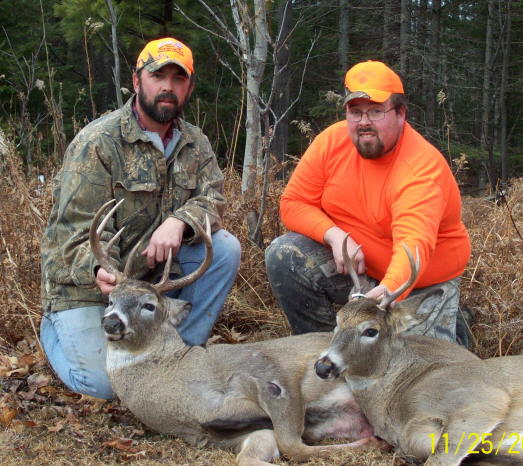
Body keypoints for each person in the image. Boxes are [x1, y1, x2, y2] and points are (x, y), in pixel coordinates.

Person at [40, 37, 241, 399]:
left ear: (189, 87)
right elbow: (71, 234)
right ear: (137, 82)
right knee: (105, 386)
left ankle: (177, 356)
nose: (167, 86)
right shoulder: (98, 142)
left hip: (150, 287)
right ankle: (56, 332)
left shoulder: (195, 143)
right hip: (88, 291)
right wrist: (100, 270)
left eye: (178, 79)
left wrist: (180, 221)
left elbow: (214, 200)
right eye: (157, 75)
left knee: (224, 248)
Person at [265, 60, 471, 345]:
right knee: (284, 254)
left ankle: (453, 319)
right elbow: (294, 203)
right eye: (355, 111)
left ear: (400, 114)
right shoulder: (331, 142)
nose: (364, 122)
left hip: (418, 283)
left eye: (376, 111)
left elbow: (414, 245)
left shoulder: (420, 168)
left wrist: (387, 293)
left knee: (418, 371)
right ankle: (324, 348)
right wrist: (336, 236)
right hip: (356, 270)